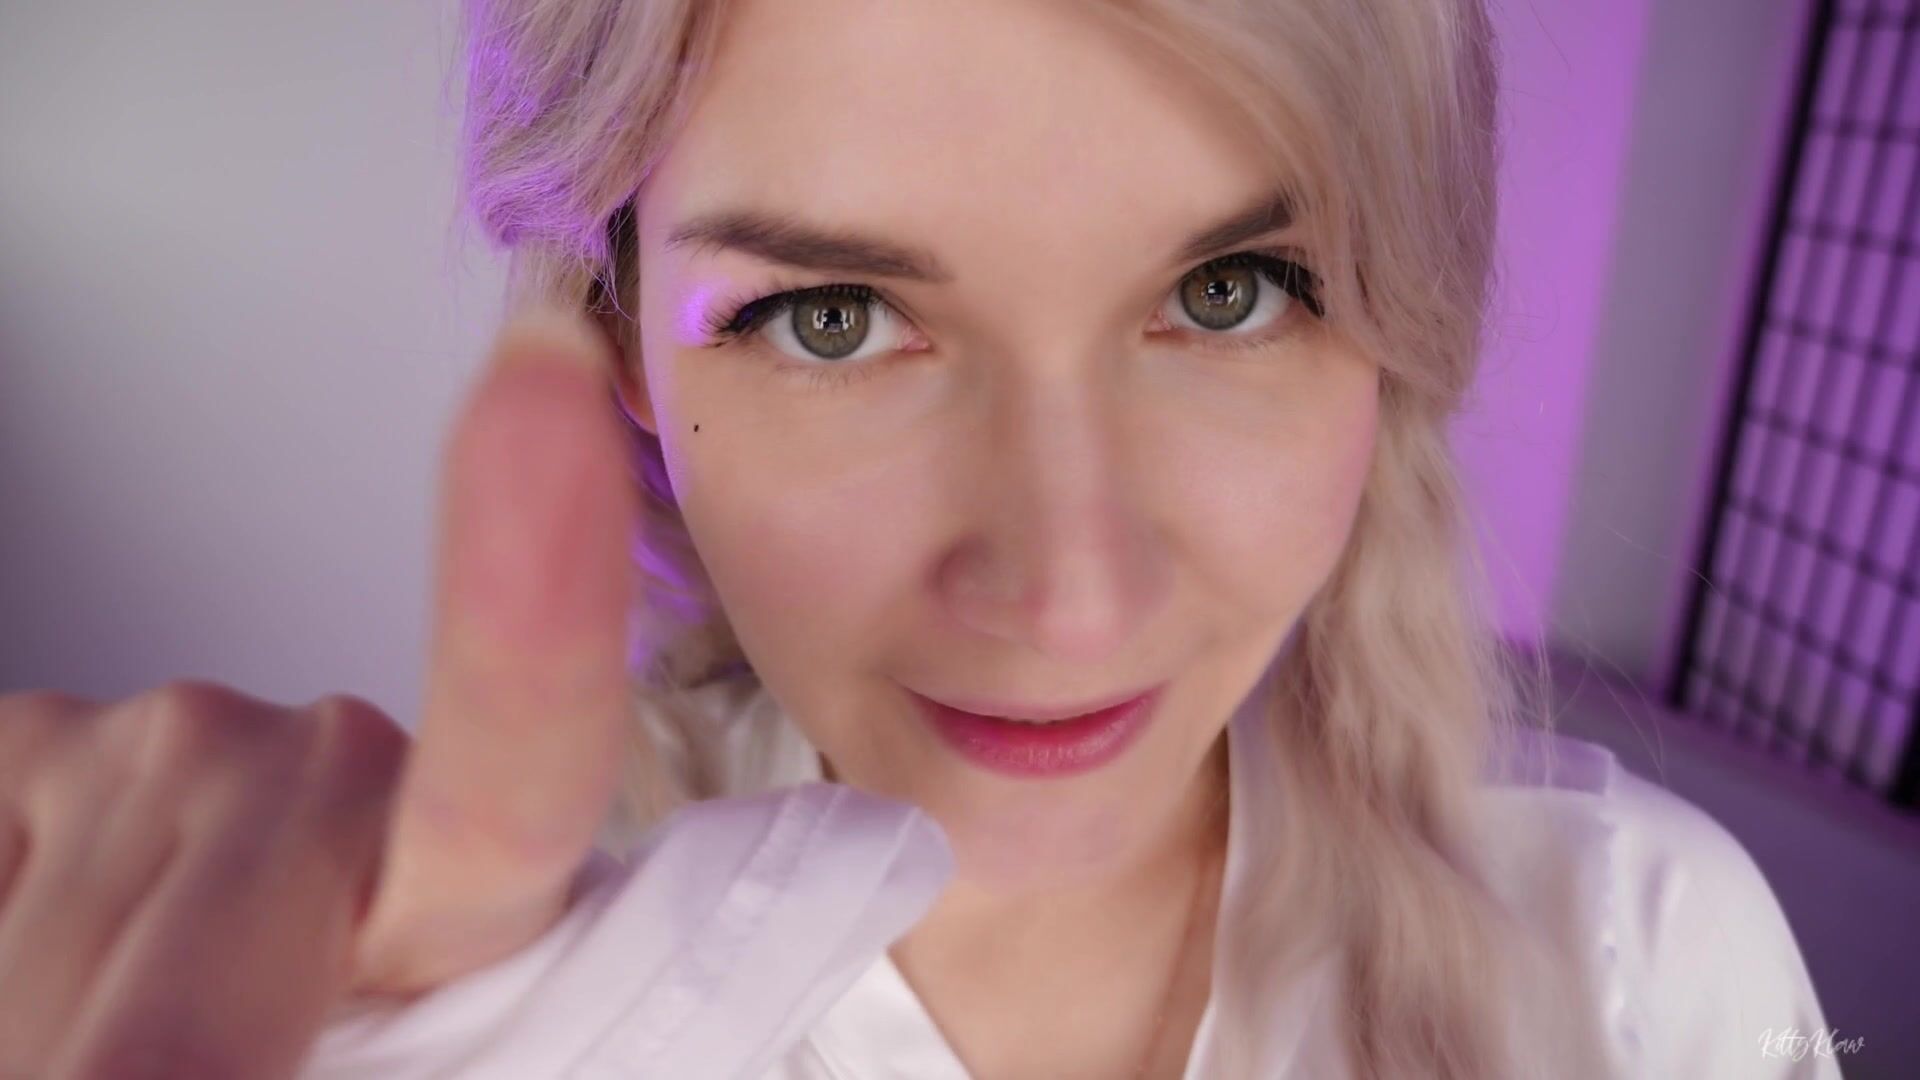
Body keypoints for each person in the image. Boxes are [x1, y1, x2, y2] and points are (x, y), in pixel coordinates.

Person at [0, 0, 1839, 1077]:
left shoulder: (1648, 969)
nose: (1069, 600)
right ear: (618, 335)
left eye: (1232, 290)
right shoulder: (456, 1015)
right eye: (836, 320)